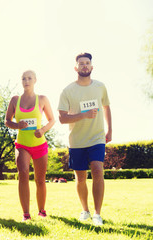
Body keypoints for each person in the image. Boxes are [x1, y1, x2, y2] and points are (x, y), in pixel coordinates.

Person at [58, 52, 112, 226]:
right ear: (76, 68)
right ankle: (85, 210)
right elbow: (62, 118)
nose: (84, 66)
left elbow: (106, 107)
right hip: (77, 141)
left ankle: (97, 214)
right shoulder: (67, 91)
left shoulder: (100, 87)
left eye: (87, 63)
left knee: (97, 170)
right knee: (80, 178)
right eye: (81, 63)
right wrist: (83, 115)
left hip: (97, 137)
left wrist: (110, 129)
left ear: (92, 66)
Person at [5, 70, 55, 221]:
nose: (26, 81)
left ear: (35, 80)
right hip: (22, 145)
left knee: (40, 179)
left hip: (39, 144)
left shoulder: (42, 99)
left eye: (29, 78)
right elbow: (7, 121)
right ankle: (26, 213)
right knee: (23, 173)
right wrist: (17, 125)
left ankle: (41, 210)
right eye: (24, 79)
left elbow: (52, 119)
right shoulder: (15, 100)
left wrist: (43, 129)